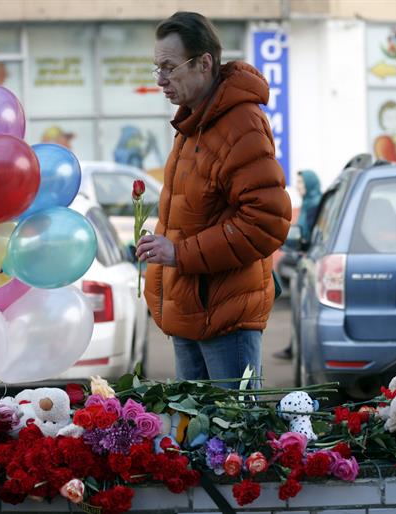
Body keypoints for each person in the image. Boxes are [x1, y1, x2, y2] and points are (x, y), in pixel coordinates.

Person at [136, 12, 291, 388]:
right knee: (194, 438)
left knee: (234, 436)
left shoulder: (241, 124)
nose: (160, 80)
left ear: (204, 63)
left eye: (169, 68)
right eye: (156, 68)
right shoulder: (191, 123)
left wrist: (180, 253)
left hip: (225, 319)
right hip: (189, 311)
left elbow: (267, 221)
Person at [273, 169, 322, 360]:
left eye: (301, 183)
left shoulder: (314, 206)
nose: (298, 187)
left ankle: (296, 348)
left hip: (310, 266)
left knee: (302, 313)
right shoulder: (310, 203)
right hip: (303, 262)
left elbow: (307, 236)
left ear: (310, 184)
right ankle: (293, 347)